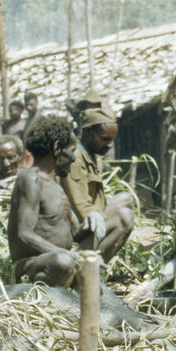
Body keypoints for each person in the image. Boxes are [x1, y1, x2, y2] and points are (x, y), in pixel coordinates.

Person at [8, 115, 83, 286]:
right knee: (63, 262)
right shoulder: (31, 180)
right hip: (32, 264)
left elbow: (75, 232)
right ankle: (40, 287)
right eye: (72, 151)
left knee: (120, 216)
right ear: (57, 148)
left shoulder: (56, 185)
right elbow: (24, 235)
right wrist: (66, 254)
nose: (73, 158)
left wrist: (95, 220)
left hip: (62, 262)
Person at [60, 107, 135, 261]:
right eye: (105, 139)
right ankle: (85, 263)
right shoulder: (76, 158)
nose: (110, 145)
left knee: (127, 198)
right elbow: (80, 205)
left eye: (112, 140)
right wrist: (101, 216)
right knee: (124, 217)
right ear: (88, 132)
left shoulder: (89, 154)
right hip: (75, 223)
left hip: (88, 214)